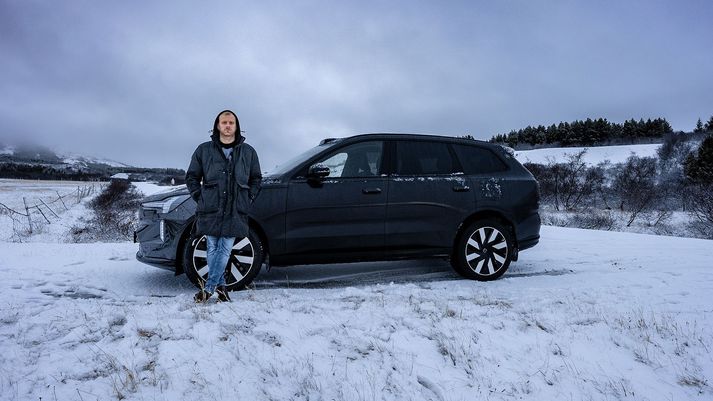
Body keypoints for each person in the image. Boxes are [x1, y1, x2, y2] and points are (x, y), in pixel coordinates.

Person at [185, 110, 262, 302]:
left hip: (236, 208)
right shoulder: (203, 150)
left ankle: (209, 289)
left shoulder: (248, 152)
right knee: (212, 247)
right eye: (224, 122)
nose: (228, 126)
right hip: (211, 207)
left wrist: (248, 197)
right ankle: (220, 289)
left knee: (225, 247)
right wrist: (199, 196)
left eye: (231, 123)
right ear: (217, 126)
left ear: (236, 126)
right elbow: (192, 177)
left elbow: (256, 178)